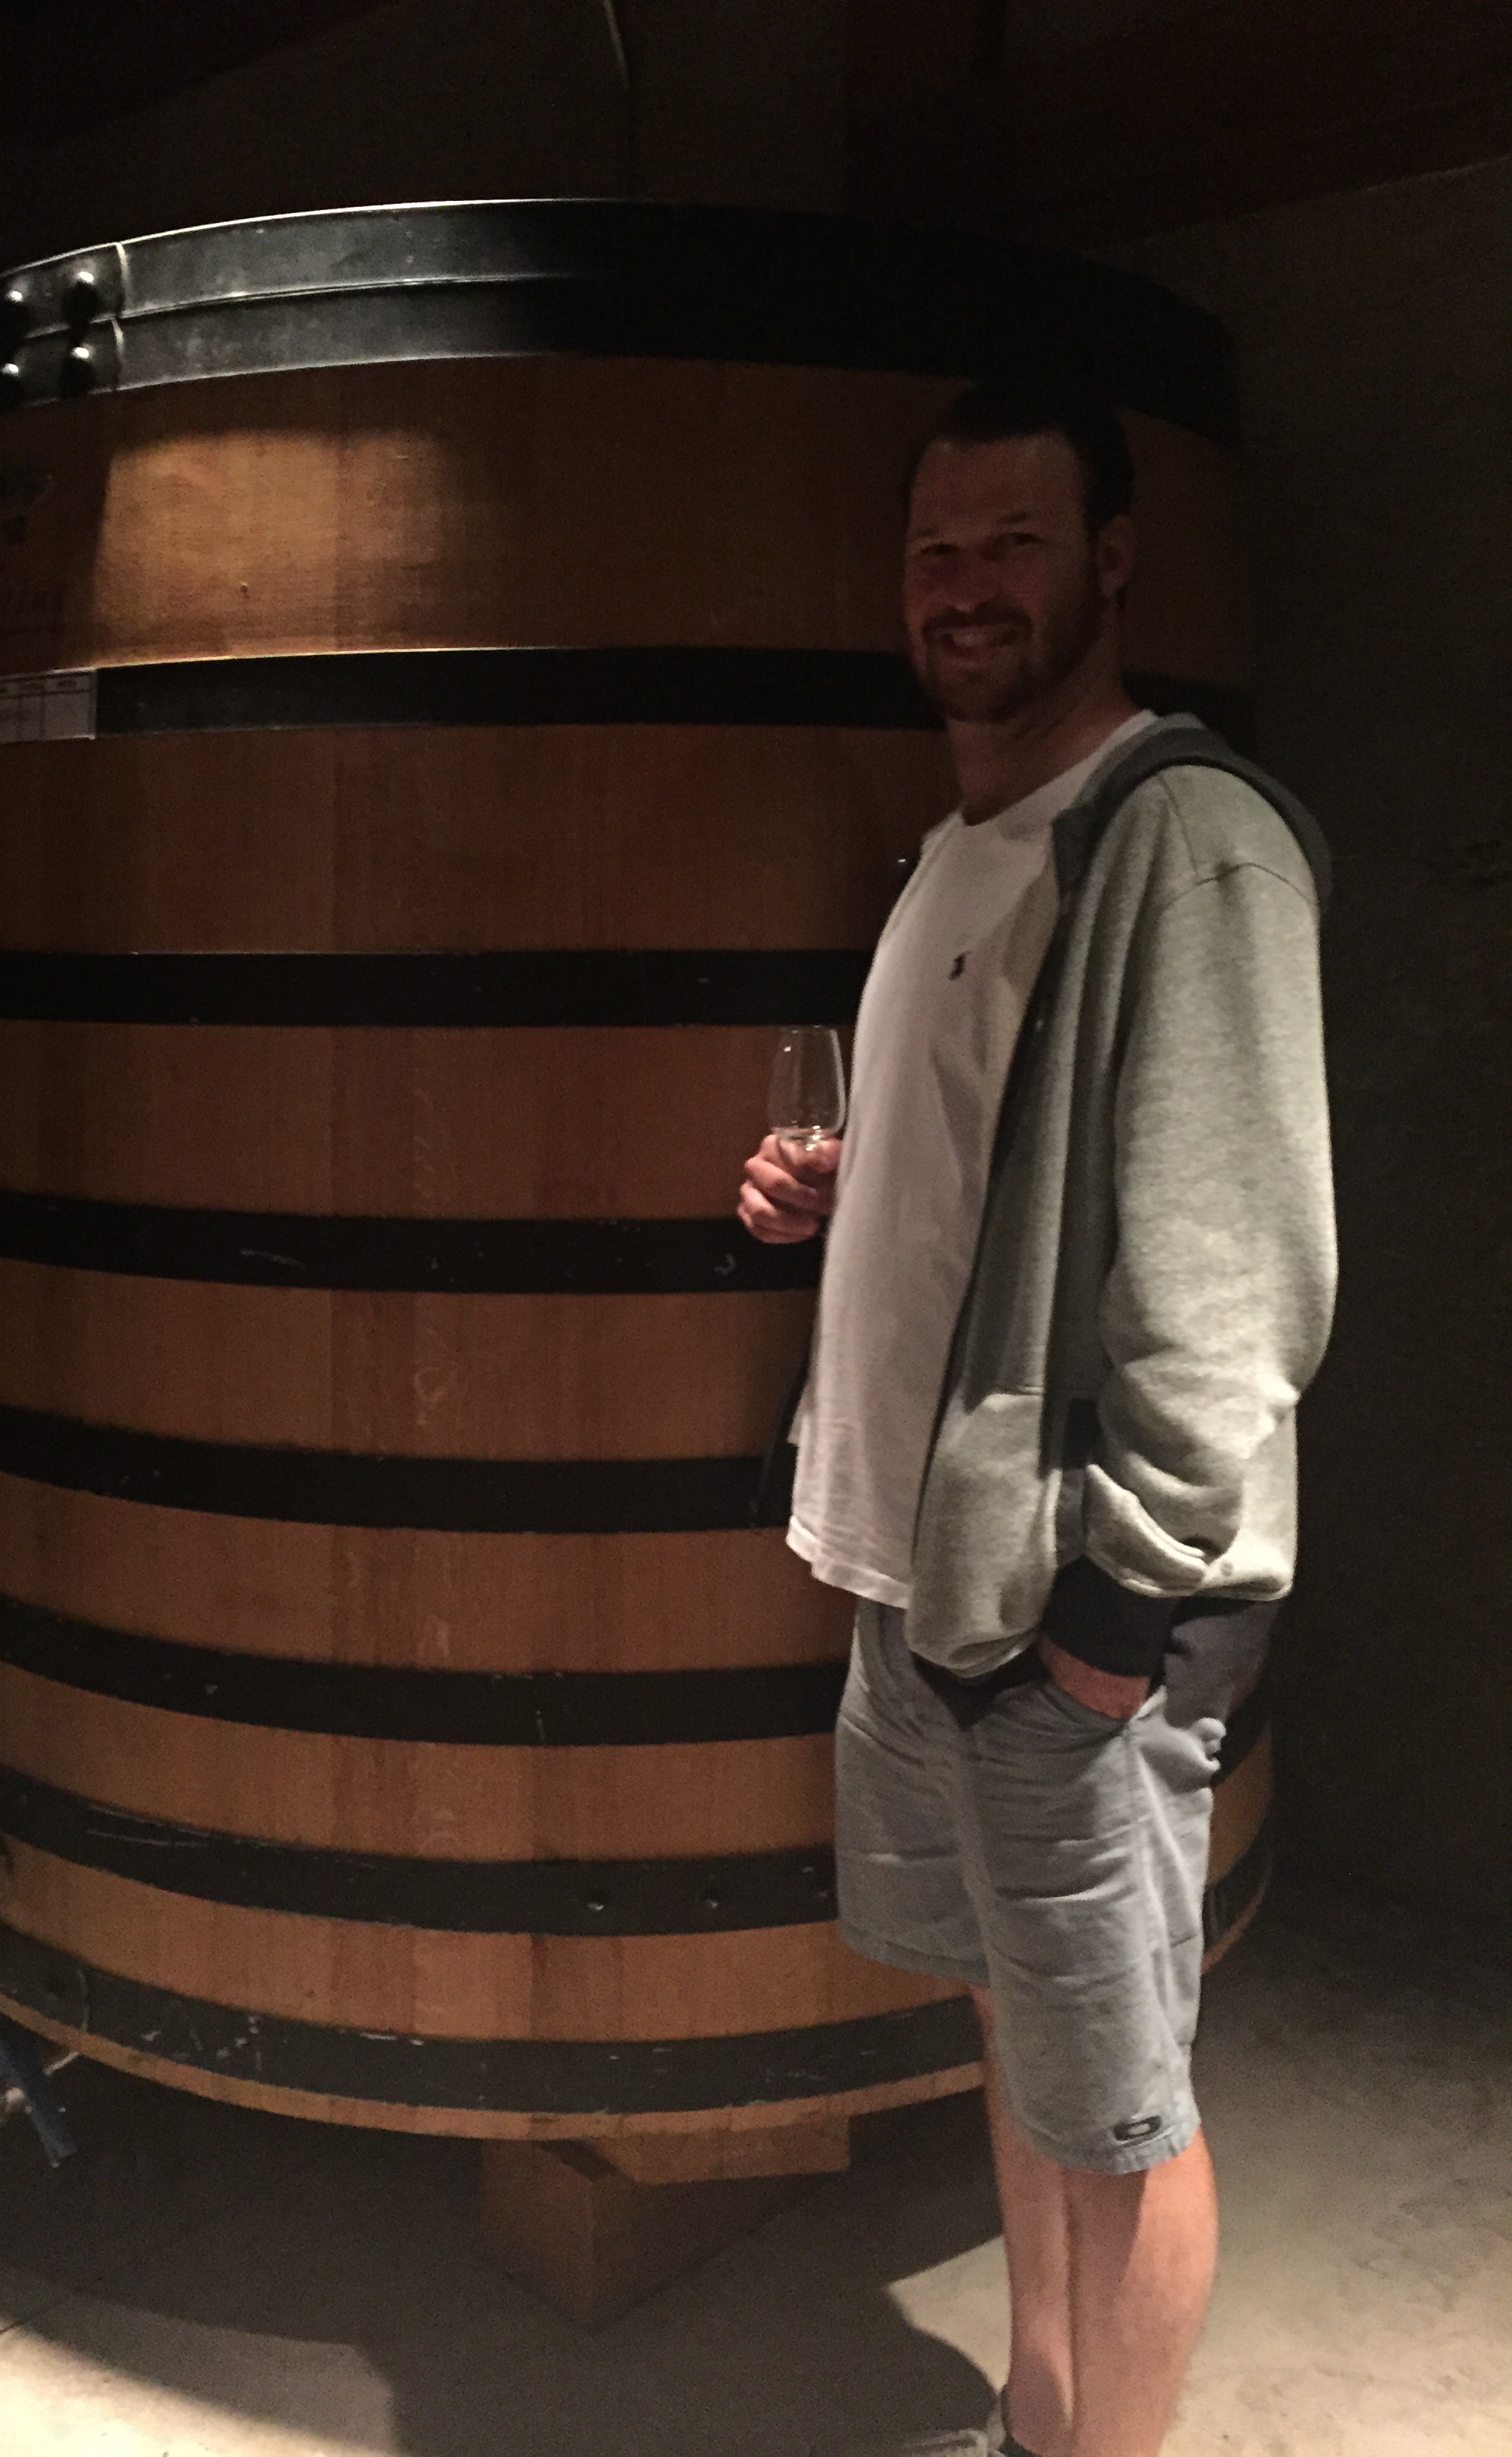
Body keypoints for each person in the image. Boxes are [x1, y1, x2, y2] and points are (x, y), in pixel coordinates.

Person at [738, 379, 1335, 2457]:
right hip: (930, 1579)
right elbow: (1015, 1185)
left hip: (1069, 1605)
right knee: (1026, 2057)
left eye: (1013, 542)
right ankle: (1037, 2422)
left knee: (1120, 2112)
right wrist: (845, 1193)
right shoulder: (962, 850)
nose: (966, 586)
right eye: (936, 551)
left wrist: (1111, 1622)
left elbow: (1237, 1277)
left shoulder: (1188, 838)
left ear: (1112, 562)